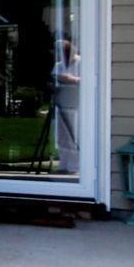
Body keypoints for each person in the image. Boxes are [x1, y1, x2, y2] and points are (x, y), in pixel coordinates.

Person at [52, 37, 82, 176]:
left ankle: (74, 166)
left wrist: (70, 79)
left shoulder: (81, 63)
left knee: (74, 136)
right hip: (62, 104)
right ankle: (63, 164)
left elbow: (84, 80)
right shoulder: (59, 65)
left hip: (76, 105)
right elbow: (56, 77)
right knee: (62, 137)